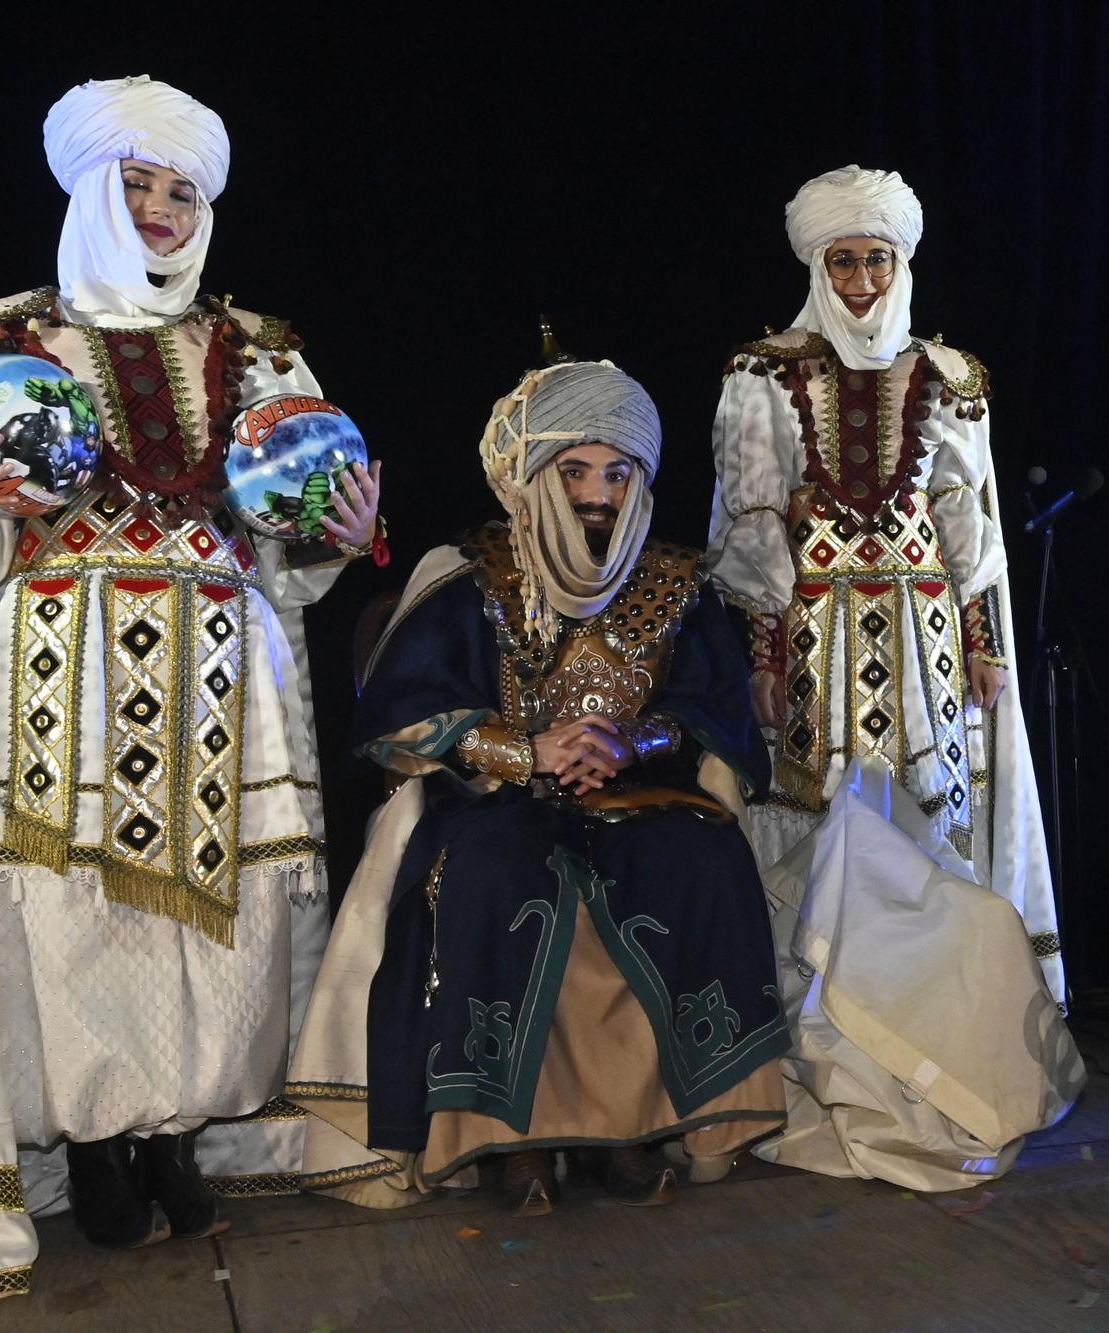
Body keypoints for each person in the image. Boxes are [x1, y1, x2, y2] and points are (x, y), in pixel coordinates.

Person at [0, 77, 378, 1304]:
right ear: (89, 189)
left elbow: (285, 537)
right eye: (133, 185)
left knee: (221, 914)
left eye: (178, 189)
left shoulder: (258, 348)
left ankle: (175, 1131)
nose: (156, 208)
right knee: (75, 916)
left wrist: (342, 530)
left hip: (216, 668)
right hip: (60, 667)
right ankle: (95, 1143)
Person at [288, 360, 790, 1214]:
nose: (598, 493)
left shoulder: (677, 582)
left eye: (618, 472)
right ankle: (511, 1144)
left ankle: (637, 1128)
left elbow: (716, 713)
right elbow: (399, 718)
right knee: (497, 872)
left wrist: (635, 742)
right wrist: (530, 750)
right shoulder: (469, 574)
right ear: (531, 477)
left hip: (638, 798)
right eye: (576, 471)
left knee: (694, 859)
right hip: (497, 797)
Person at [702, 166, 1082, 1191]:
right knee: (818, 831)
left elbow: (974, 527)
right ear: (817, 264)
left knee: (927, 833)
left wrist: (987, 645)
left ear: (901, 263)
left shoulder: (951, 376)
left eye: (877, 258)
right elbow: (747, 520)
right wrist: (768, 654)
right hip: (818, 636)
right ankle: (828, 1058)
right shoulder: (762, 372)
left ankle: (933, 1061)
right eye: (844, 259)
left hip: (924, 641)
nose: (863, 277)